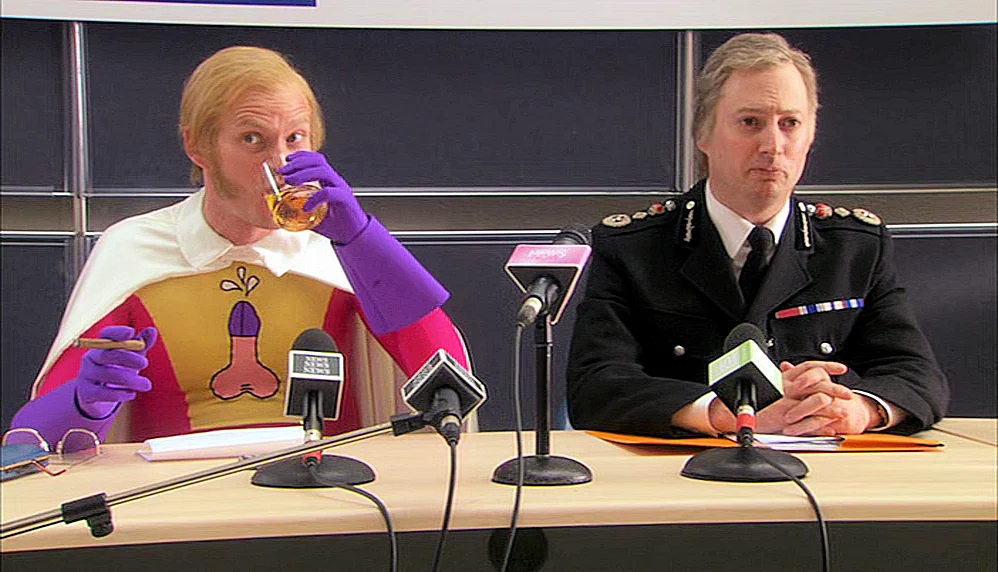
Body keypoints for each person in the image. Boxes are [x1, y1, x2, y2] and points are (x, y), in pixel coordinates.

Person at [10, 46, 469, 445]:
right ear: (197, 146)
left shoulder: (338, 252)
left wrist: (361, 238)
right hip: (178, 500)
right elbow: (33, 440)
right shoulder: (135, 248)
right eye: (253, 140)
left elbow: (451, 383)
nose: (279, 164)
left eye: (294, 138)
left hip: (330, 491)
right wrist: (84, 401)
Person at [567, 33, 948, 438]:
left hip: (825, 466)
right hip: (685, 469)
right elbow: (596, 388)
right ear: (703, 133)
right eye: (751, 122)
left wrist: (858, 410)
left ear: (811, 135)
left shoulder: (854, 248)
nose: (772, 145)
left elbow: (918, 376)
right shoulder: (633, 249)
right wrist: (728, 414)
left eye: (790, 124)